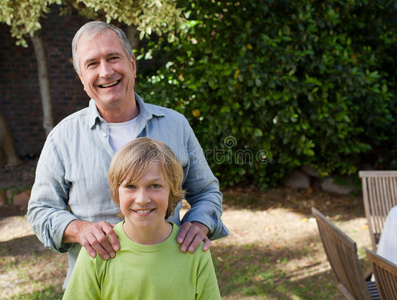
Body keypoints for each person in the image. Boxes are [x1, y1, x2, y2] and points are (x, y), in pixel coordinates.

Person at [27, 21, 228, 288]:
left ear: (132, 64)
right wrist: (80, 230)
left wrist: (199, 223)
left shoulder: (176, 125)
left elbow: (206, 192)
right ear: (81, 77)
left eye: (113, 58)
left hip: (169, 285)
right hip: (95, 287)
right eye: (92, 64)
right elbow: (41, 211)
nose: (106, 72)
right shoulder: (62, 137)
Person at [62, 137, 222, 299]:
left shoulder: (194, 251)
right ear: (117, 193)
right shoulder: (97, 250)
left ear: (171, 190)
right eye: (131, 186)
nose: (142, 199)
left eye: (155, 186)